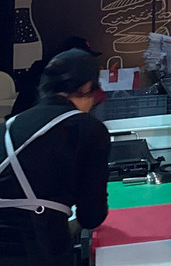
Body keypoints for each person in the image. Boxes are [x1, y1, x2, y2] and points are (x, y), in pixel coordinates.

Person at [0, 50, 109, 266]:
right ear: (87, 87)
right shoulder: (88, 128)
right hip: (38, 250)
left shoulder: (9, 125)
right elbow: (91, 216)